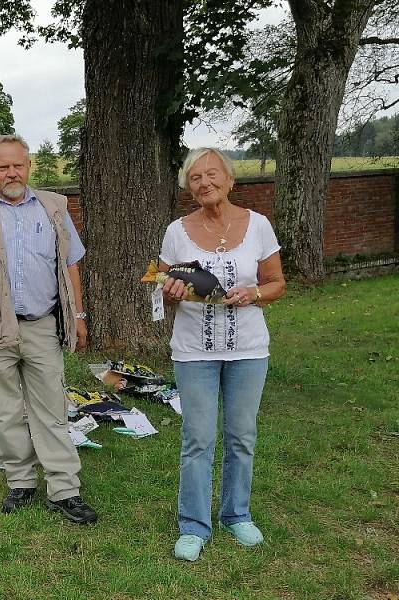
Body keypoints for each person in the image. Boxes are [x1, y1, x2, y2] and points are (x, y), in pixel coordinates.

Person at [0, 134, 97, 525]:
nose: (11, 173)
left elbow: (71, 265)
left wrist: (78, 317)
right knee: (4, 411)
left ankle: (64, 489)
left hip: (43, 325)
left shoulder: (54, 207)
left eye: (18, 165)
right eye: (2, 167)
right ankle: (21, 481)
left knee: (52, 410)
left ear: (29, 167)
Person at [159, 148, 286, 561]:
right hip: (194, 350)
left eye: (212, 175)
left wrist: (254, 293)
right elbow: (160, 289)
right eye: (195, 178)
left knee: (241, 436)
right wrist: (169, 290)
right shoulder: (176, 231)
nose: (205, 183)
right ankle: (194, 525)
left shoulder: (259, 226)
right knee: (197, 438)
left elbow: (277, 283)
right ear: (188, 187)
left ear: (230, 181)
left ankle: (237, 514)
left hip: (248, 350)